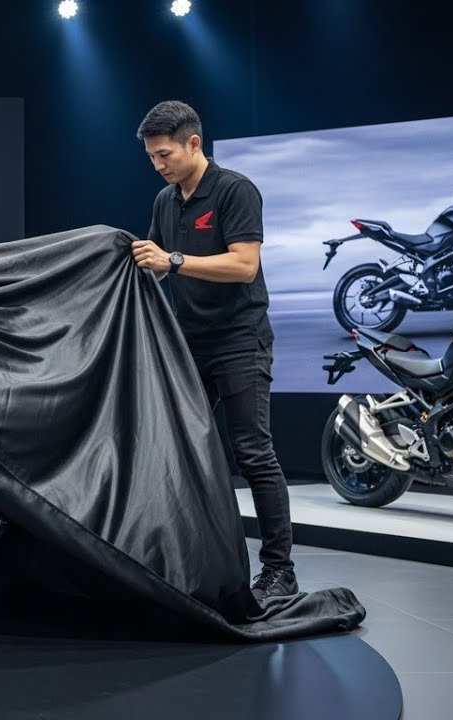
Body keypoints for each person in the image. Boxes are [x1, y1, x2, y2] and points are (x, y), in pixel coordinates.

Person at [131, 100, 298, 601]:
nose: (158, 165)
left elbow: (244, 266)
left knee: (252, 452)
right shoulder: (165, 201)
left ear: (193, 143)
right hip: (189, 343)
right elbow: (158, 267)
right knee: (183, 451)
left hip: (240, 340)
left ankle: (280, 570)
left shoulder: (234, 190)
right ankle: (191, 561)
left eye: (164, 155)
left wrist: (174, 260)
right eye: (151, 157)